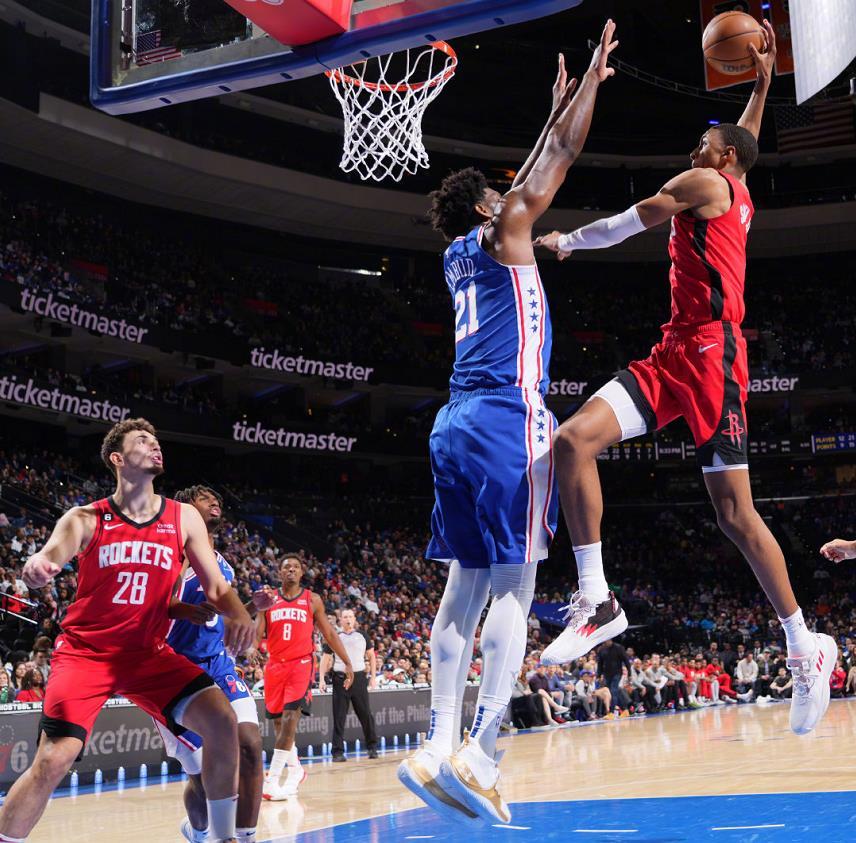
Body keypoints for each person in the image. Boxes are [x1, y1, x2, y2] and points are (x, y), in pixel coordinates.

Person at [535, 21, 835, 737]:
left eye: (707, 139)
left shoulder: (705, 180)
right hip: (673, 350)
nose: (696, 143)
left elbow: (632, 220)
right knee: (572, 441)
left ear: (720, 158)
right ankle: (597, 599)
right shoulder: (734, 179)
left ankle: (804, 644)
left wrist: (568, 240)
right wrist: (760, 84)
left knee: (735, 515)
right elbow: (745, 138)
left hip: (713, 358)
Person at [397, 20, 619, 828]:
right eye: (502, 192)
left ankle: (435, 746)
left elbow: (534, 163)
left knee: (462, 588)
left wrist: (551, 110)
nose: (510, 193)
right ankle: (482, 751)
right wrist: (587, 86)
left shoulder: (458, 253)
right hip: (504, 418)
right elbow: (557, 160)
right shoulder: (503, 230)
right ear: (491, 205)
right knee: (514, 589)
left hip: (453, 424)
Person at [0, 418, 256, 843]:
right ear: (117, 459)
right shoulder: (85, 517)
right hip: (87, 653)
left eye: (156, 440)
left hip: (148, 654)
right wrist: (39, 566)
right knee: (54, 758)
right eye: (143, 440)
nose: (155, 446)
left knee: (221, 719)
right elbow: (50, 554)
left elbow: (216, 586)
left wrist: (240, 615)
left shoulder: (183, 517)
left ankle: (224, 837)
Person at [153, 485, 276, 843]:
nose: (215, 501)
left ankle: (246, 837)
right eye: (205, 497)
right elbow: (156, 607)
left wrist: (251, 608)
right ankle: (197, 832)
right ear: (185, 507)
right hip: (175, 673)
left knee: (250, 745)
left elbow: (222, 616)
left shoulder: (222, 564)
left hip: (218, 665)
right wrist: (185, 610)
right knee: (203, 782)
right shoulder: (169, 554)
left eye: (217, 498)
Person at [256, 555, 353, 800]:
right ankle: (296, 770)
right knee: (279, 724)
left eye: (296, 567)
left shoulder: (312, 599)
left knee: (290, 719)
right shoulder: (269, 599)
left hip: (301, 664)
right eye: (286, 567)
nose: (291, 570)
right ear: (279, 572)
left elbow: (329, 633)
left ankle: (271, 781)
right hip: (274, 666)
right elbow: (257, 633)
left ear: (301, 573)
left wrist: (347, 662)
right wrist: (250, 648)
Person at [318, 608, 379, 762]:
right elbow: (325, 658)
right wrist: (321, 679)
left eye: (350, 616)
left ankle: (372, 747)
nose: (348, 619)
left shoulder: (363, 636)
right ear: (341, 620)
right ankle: (337, 752)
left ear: (355, 619)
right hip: (340, 679)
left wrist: (373, 677)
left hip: (359, 679)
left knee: (365, 715)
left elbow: (372, 656)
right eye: (345, 617)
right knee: (339, 717)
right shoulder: (335, 636)